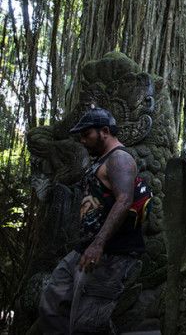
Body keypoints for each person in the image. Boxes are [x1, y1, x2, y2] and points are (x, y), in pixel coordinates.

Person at [39, 107, 143, 334]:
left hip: (110, 253)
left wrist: (98, 244)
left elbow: (124, 200)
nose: (83, 141)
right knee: (52, 301)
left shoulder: (120, 159)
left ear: (104, 131)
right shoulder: (101, 160)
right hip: (83, 249)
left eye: (87, 135)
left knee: (88, 322)